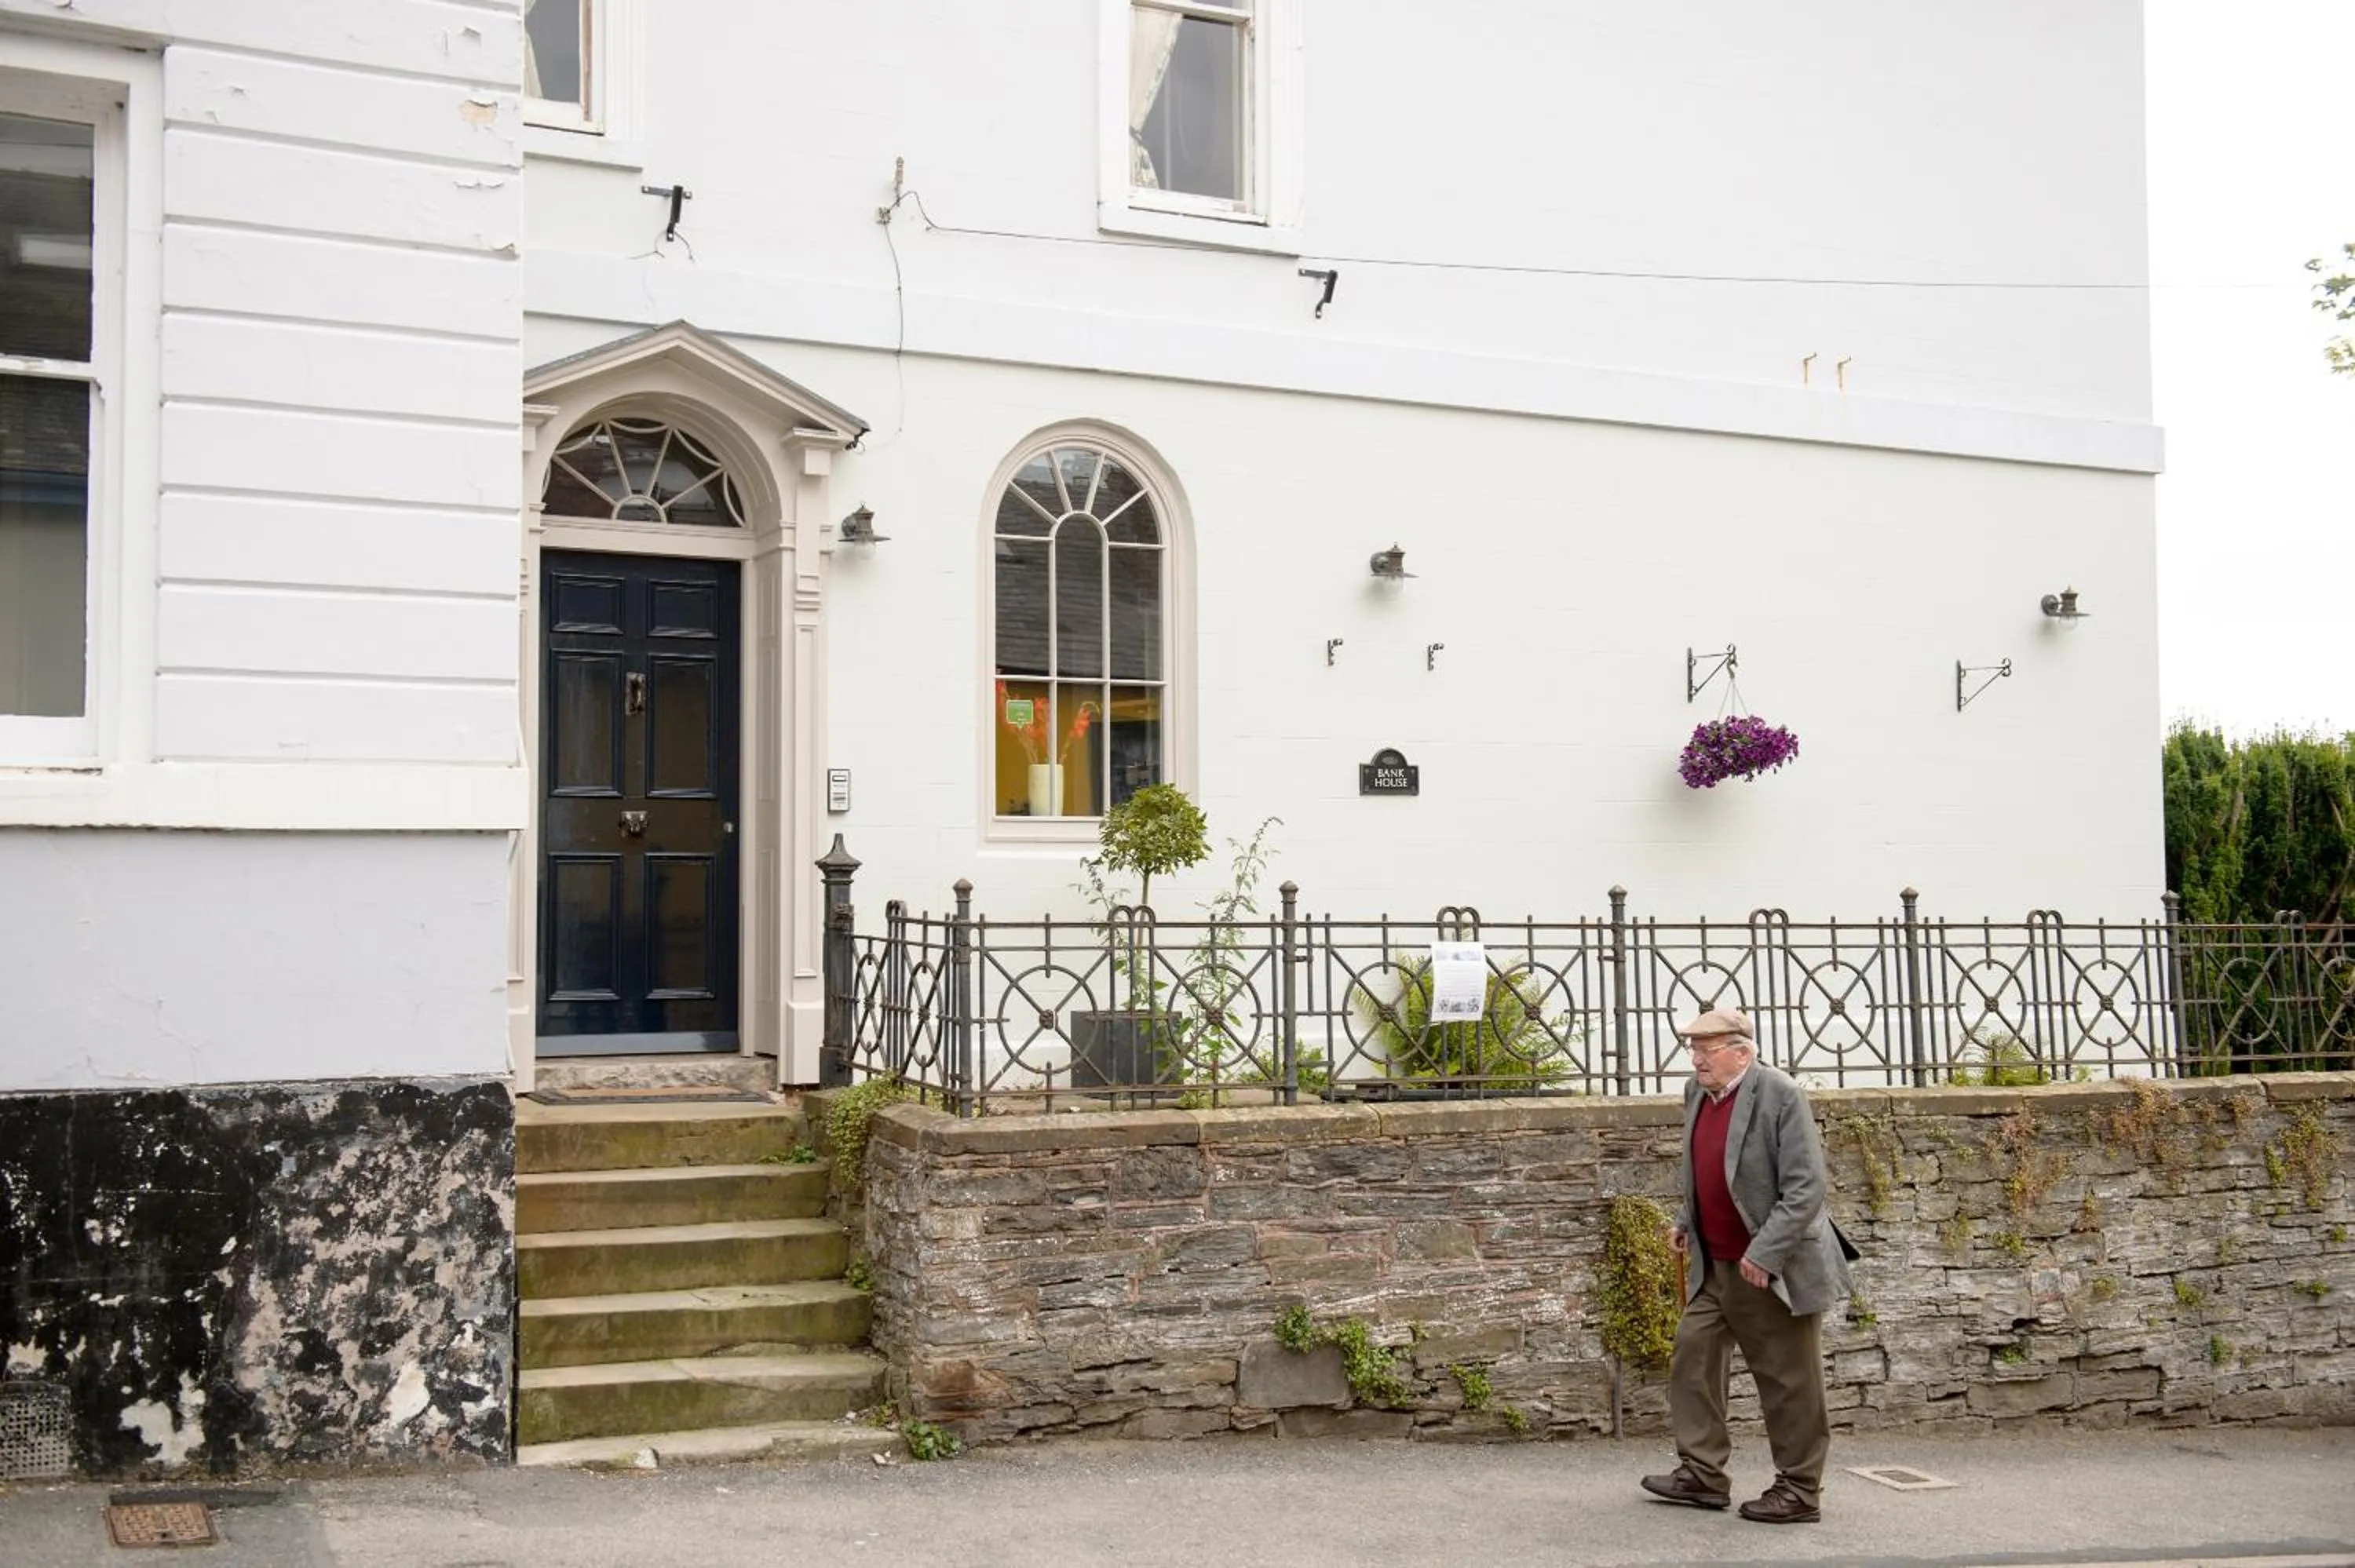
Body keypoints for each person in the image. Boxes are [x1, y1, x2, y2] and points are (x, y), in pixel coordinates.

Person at [1639, 1007, 1855, 1525]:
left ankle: (1800, 1490)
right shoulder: (1698, 1095)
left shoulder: (1781, 1095)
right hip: (1716, 1264)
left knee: (1788, 1380)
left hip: (1771, 1267)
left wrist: (1766, 1253)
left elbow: (1806, 1188)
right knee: (1693, 1355)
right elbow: (1704, 1170)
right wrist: (1685, 1219)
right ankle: (1703, 1474)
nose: (1695, 1060)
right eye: (1692, 1049)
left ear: (1742, 1051)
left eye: (1705, 1050)